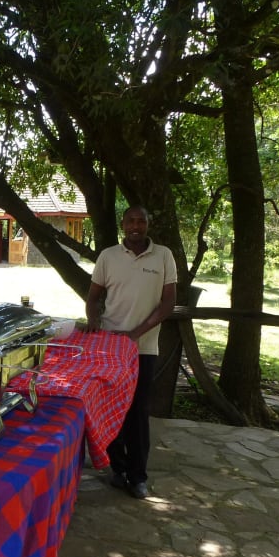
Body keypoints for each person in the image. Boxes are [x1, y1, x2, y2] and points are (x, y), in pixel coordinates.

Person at [83, 205, 177, 499]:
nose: (136, 225)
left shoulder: (163, 256)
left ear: (149, 224)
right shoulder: (108, 256)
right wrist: (95, 323)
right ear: (123, 225)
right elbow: (93, 297)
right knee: (110, 409)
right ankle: (118, 469)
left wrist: (134, 335)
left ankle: (138, 476)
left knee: (137, 412)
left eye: (141, 221)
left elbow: (167, 304)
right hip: (110, 348)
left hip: (143, 348)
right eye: (131, 221)